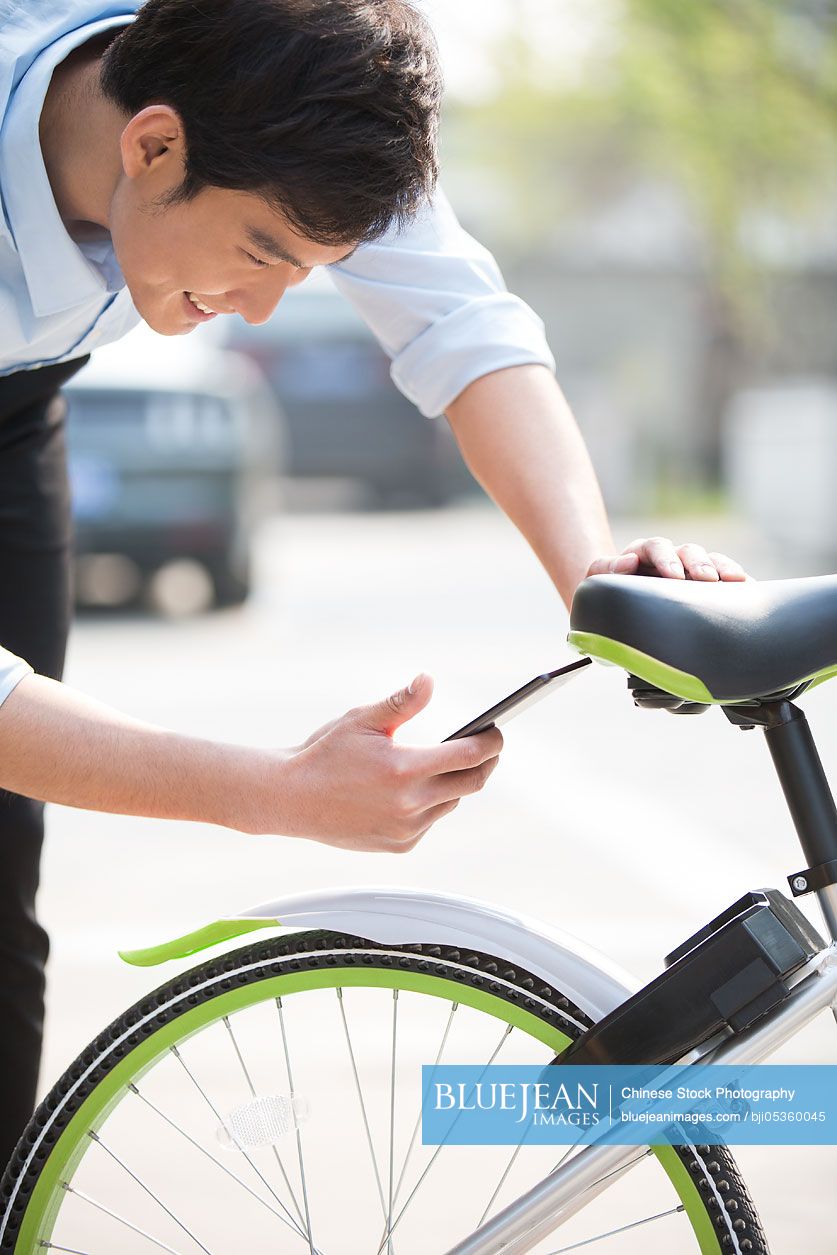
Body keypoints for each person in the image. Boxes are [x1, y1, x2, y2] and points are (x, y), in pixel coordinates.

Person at [0, 0, 748, 1170]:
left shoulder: (279, 96)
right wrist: (272, 790)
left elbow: (464, 325)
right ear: (152, 145)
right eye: (260, 255)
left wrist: (596, 574)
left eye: (308, 274)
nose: (259, 309)